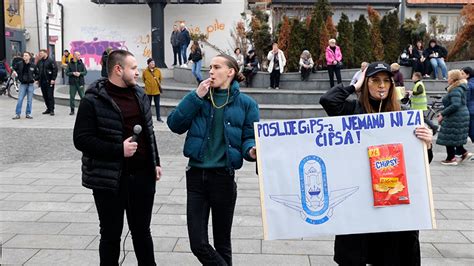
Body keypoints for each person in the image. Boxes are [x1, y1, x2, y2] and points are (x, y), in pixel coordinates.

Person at [319, 62, 434, 265]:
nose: (381, 86)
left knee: (392, 255)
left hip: (393, 200)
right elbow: (328, 100)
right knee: (357, 253)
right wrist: (355, 85)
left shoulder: (404, 115)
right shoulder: (352, 109)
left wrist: (427, 144)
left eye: (386, 81)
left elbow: (422, 161)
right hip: (360, 200)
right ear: (366, 83)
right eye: (375, 80)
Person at [167, 54, 259, 266]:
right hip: (196, 177)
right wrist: (195, 97)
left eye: (217, 67)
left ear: (230, 72)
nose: (211, 71)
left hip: (223, 178)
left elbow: (248, 139)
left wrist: (251, 150)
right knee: (197, 243)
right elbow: (174, 124)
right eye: (210, 67)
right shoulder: (200, 97)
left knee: (222, 243)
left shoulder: (247, 104)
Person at [73, 50, 162, 265]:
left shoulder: (140, 95)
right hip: (109, 180)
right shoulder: (93, 100)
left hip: (142, 178)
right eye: (133, 68)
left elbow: (149, 132)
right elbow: (81, 140)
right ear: (118, 69)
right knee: (111, 235)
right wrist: (117, 149)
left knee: (142, 233)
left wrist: (155, 162)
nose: (138, 72)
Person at [436, 69, 472, 165]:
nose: (448, 79)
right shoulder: (459, 87)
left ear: (453, 79)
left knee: (449, 136)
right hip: (460, 115)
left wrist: (443, 114)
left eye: (449, 77)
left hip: (456, 116)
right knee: (454, 135)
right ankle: (463, 153)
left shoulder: (456, 89)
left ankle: (451, 158)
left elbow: (455, 105)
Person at [11, 52, 38, 120]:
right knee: (20, 99)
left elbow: (38, 74)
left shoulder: (33, 65)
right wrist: (14, 72)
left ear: (29, 57)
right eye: (24, 56)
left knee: (29, 100)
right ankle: (17, 114)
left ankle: (28, 114)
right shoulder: (19, 64)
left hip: (30, 85)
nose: (24, 57)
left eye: (26, 55)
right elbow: (13, 68)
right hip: (23, 84)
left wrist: (35, 79)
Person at [65, 51, 87, 115]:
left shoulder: (81, 64)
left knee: (83, 97)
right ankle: (72, 110)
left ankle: (84, 110)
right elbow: (66, 73)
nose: (80, 56)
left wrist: (80, 73)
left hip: (80, 83)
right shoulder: (69, 64)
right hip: (72, 83)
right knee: (72, 97)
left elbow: (85, 72)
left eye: (80, 55)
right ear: (74, 56)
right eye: (78, 55)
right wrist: (73, 73)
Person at [37, 49, 58, 116]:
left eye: (41, 53)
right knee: (45, 96)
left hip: (49, 81)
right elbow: (37, 71)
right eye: (40, 53)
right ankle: (48, 108)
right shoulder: (39, 62)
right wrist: (37, 79)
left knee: (50, 96)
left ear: (46, 53)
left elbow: (55, 70)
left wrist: (53, 79)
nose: (40, 54)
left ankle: (52, 110)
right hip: (42, 82)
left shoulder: (51, 61)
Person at [142, 58, 163, 122]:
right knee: (148, 105)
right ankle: (148, 118)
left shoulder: (158, 71)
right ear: (148, 64)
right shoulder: (145, 71)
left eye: (153, 63)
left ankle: (158, 117)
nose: (153, 64)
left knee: (157, 105)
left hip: (156, 91)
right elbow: (143, 79)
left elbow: (160, 79)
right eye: (151, 63)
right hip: (148, 91)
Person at [461, 66, 474, 142]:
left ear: (467, 75)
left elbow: (466, 99)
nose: (461, 76)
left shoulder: (468, 85)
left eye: (462, 74)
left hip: (470, 110)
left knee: (472, 132)